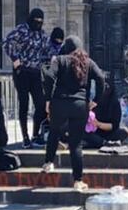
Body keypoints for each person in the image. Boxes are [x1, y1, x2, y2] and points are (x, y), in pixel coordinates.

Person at [43, 35, 105, 191]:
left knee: (54, 132)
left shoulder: (59, 60)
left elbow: (49, 76)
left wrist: (48, 99)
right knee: (76, 144)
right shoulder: (88, 62)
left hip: (60, 104)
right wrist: (95, 100)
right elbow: (101, 78)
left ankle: (49, 162)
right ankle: (77, 181)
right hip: (79, 105)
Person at [2, 7, 52, 148]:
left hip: (35, 72)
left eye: (40, 21)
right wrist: (15, 59)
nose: (38, 23)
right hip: (22, 72)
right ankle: (25, 137)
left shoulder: (41, 34)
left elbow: (48, 50)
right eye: (36, 21)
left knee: (41, 104)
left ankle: (35, 134)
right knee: (23, 102)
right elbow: (7, 42)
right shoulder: (22, 30)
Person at [83, 73, 128, 149]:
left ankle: (101, 143)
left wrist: (98, 124)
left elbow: (114, 125)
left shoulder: (114, 103)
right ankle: (103, 143)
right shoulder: (94, 100)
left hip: (109, 133)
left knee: (124, 131)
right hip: (94, 133)